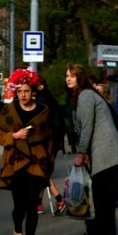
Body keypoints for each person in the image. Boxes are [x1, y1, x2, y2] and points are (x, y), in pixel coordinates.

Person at [0, 67, 54, 235]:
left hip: (37, 163)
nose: (22, 95)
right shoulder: (9, 110)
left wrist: (50, 161)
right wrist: (14, 136)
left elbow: (50, 136)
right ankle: (17, 230)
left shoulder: (44, 111)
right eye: (19, 91)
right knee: (19, 205)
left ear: (33, 91)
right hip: (15, 162)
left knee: (33, 205)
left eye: (26, 91)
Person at [65, 63, 118, 235]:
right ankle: (97, 232)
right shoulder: (84, 95)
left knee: (102, 198)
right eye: (67, 75)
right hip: (104, 153)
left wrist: (81, 152)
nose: (68, 78)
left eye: (72, 75)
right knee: (99, 196)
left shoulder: (85, 96)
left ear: (81, 77)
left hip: (106, 153)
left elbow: (87, 127)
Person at [34, 77, 66, 215]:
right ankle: (38, 204)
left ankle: (59, 199)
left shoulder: (41, 101)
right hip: (53, 141)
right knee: (42, 172)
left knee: (42, 172)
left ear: (40, 87)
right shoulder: (51, 98)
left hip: (44, 142)